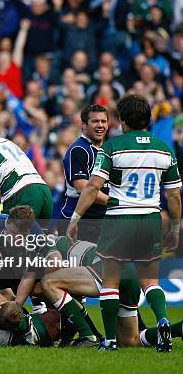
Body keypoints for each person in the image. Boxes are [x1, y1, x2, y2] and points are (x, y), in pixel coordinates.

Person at [67, 94, 182, 352]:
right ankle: (163, 320)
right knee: (150, 282)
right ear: (148, 120)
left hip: (120, 218)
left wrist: (75, 218)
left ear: (122, 121)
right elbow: (174, 195)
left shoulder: (112, 147)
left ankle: (108, 341)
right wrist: (174, 228)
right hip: (151, 218)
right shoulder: (164, 149)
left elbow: (93, 186)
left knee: (111, 282)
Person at [42, 236, 146, 348]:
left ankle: (89, 337)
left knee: (48, 283)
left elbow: (50, 269)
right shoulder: (53, 242)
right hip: (127, 270)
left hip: (104, 267)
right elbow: (73, 306)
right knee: (128, 341)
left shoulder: (41, 244)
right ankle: (164, 330)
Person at [60, 104, 110, 242]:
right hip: (78, 223)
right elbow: (83, 187)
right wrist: (114, 202)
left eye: (103, 121)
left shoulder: (108, 150)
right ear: (83, 125)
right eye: (95, 121)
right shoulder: (79, 150)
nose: (100, 125)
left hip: (100, 222)